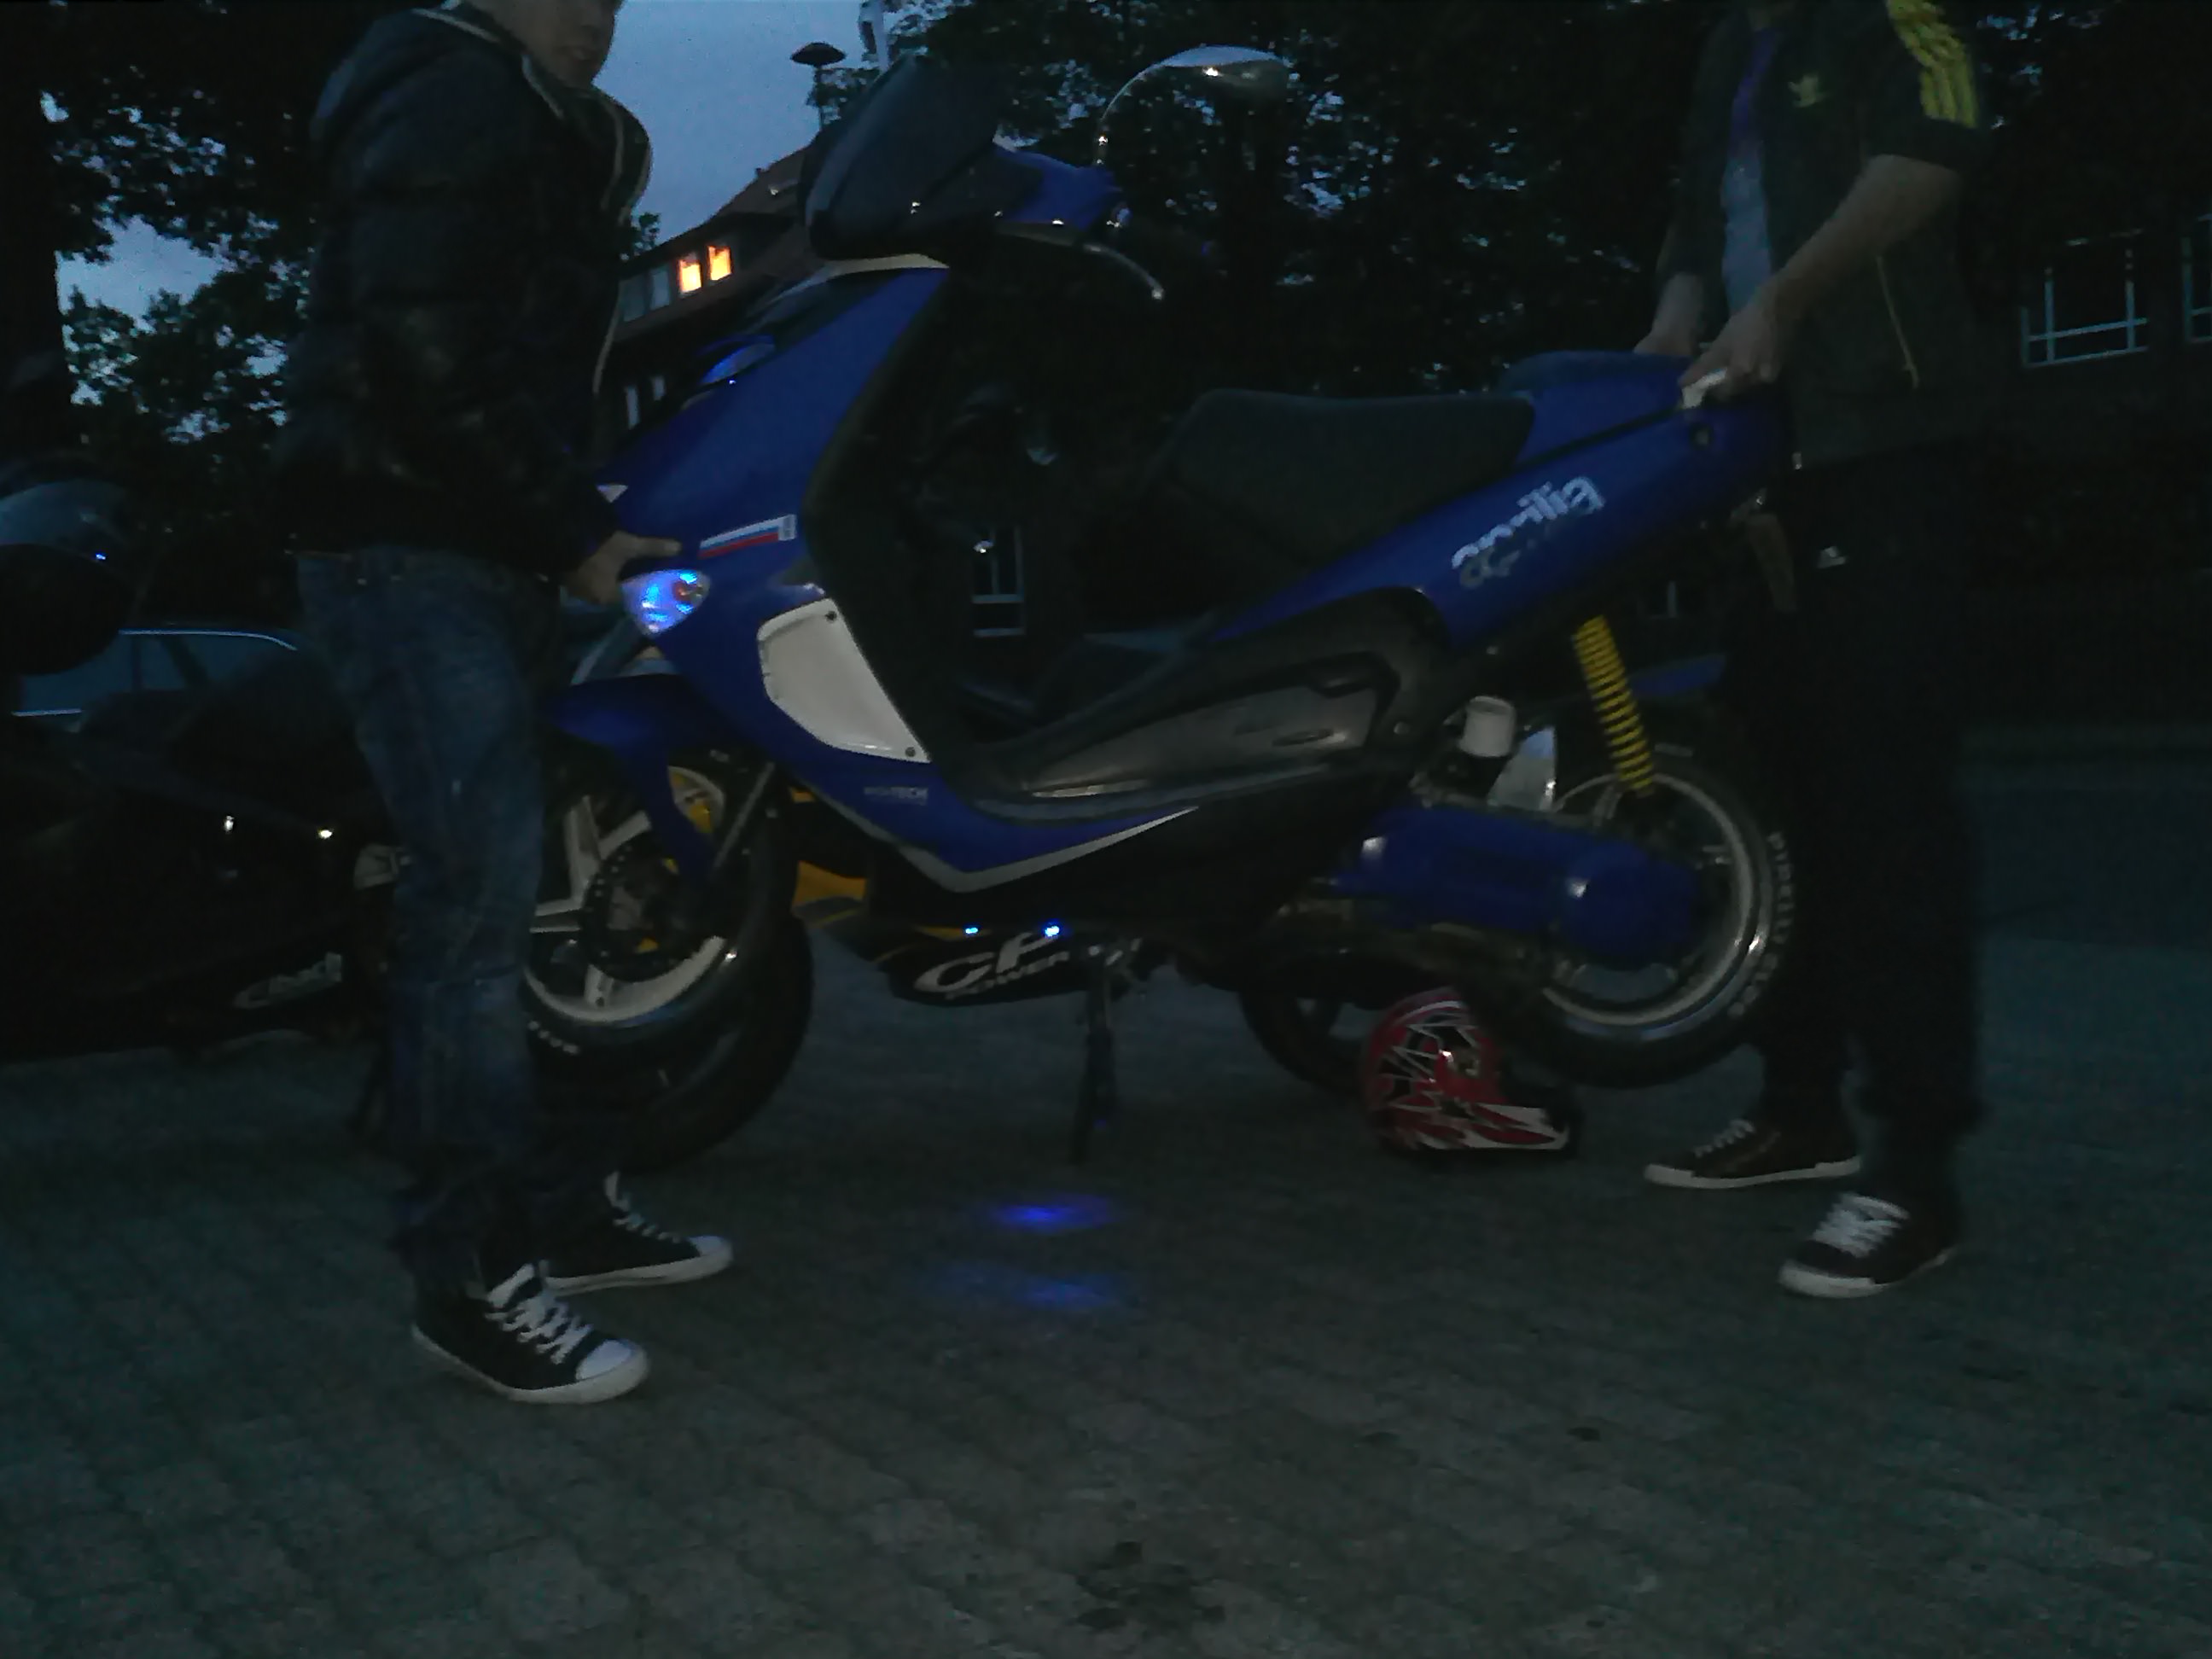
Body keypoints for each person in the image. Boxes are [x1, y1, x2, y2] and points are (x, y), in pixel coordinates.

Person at [272, 0, 726, 1404]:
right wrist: (577, 534)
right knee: (472, 919)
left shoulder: (518, 112)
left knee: (544, 899)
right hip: (411, 553)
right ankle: (468, 1278)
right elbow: (424, 350)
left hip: (476, 547)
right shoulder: (456, 94)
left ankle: (565, 1211)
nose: (595, 12)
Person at [1633, 0, 1994, 1297]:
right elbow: (1699, 215)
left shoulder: (1890, 12)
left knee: (1885, 807)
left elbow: (1935, 152)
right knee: (1773, 798)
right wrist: (1676, 318)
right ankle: (1800, 1110)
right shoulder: (1734, 42)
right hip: (1762, 465)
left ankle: (1916, 1170)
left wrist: (1785, 300)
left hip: (1881, 448)